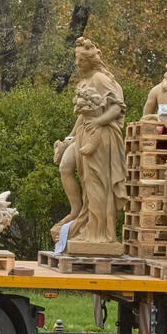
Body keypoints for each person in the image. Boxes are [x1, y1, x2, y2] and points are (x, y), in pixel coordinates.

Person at [55, 37, 128, 252]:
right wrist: (70, 137)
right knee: (84, 180)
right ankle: (84, 220)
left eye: (81, 60)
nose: (77, 64)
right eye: (76, 59)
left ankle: (101, 234)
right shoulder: (84, 81)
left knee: (98, 183)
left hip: (102, 135)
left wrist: (96, 123)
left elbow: (117, 109)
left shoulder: (99, 79)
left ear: (90, 61)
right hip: (85, 132)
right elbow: (83, 115)